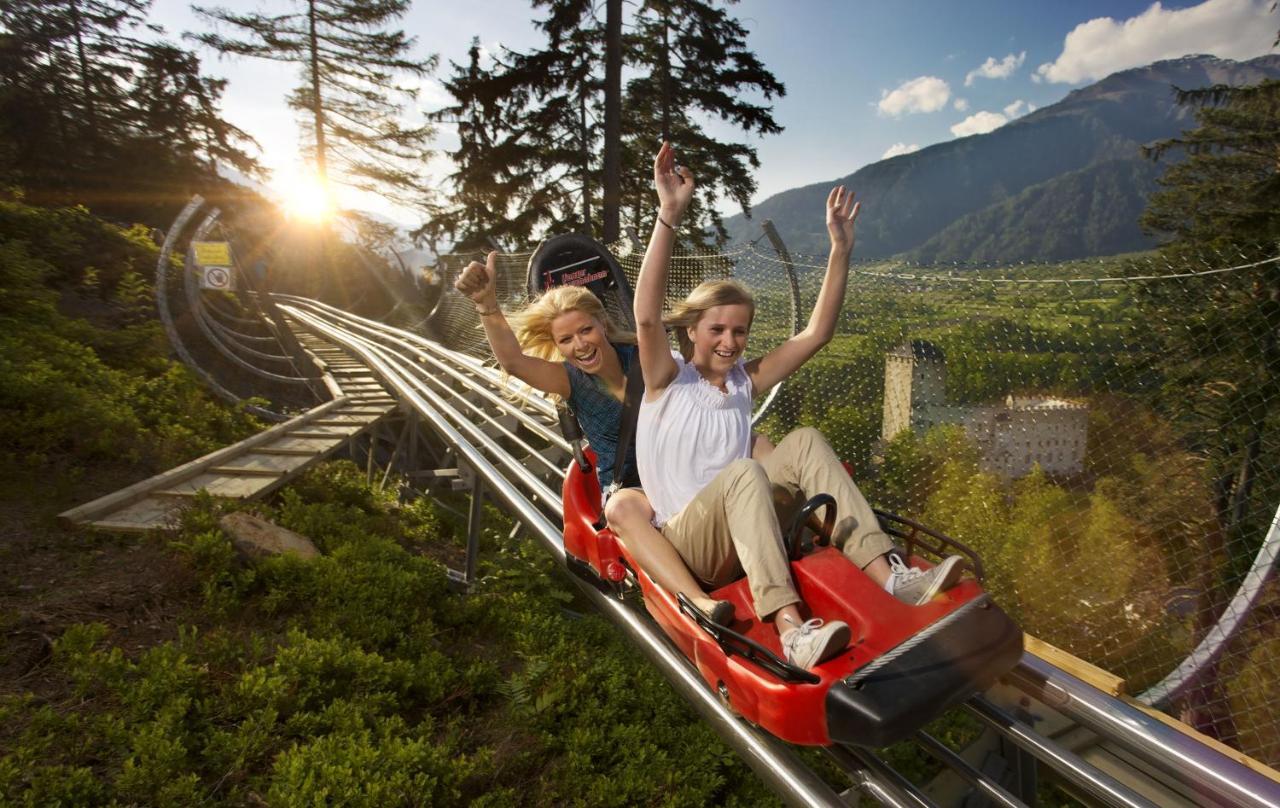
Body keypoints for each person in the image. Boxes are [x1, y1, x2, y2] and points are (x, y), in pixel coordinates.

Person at [633, 142, 963, 670]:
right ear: (692, 330)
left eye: (739, 331)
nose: (729, 340)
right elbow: (646, 318)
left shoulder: (745, 381)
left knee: (803, 438)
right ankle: (790, 628)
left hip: (748, 524)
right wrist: (668, 213)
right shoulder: (667, 378)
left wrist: (840, 250)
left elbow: (816, 333)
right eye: (716, 328)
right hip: (693, 541)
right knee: (744, 470)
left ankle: (891, 575)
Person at [453, 253, 771, 624]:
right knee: (621, 508)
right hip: (635, 485)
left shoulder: (644, 357)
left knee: (756, 440)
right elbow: (514, 362)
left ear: (602, 324)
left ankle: (800, 521)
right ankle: (698, 602)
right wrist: (488, 307)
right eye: (566, 340)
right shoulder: (570, 380)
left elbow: (701, 382)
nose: (580, 345)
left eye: (585, 331)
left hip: (683, 465)